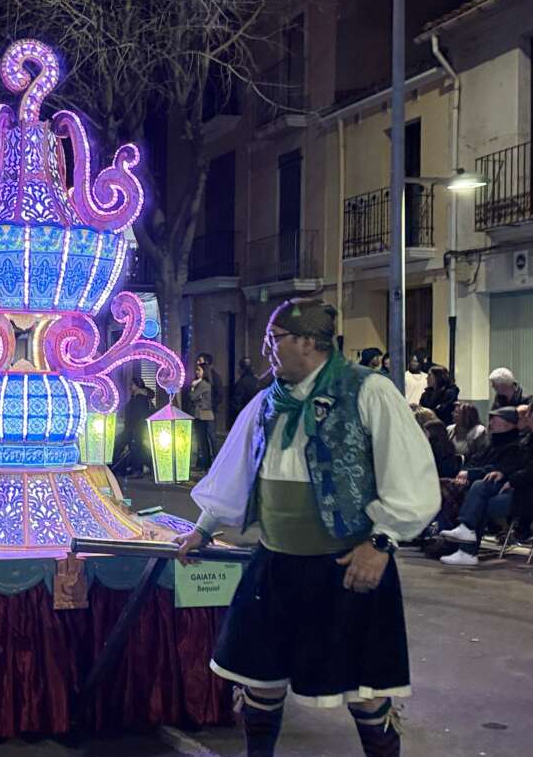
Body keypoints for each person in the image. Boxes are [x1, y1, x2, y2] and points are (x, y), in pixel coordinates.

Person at [174, 297, 438, 757]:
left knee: (366, 690)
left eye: (274, 339)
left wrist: (381, 542)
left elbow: (409, 473)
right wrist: (203, 526)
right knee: (259, 677)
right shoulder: (265, 401)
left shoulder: (368, 391)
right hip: (275, 562)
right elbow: (235, 468)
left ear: (309, 342)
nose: (266, 349)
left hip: (347, 564)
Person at [440, 398, 533, 567]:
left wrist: (511, 480)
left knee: (481, 503)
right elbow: (520, 466)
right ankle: (466, 534)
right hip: (524, 491)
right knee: (479, 487)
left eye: (527, 413)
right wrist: (503, 474)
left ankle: (467, 549)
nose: (524, 417)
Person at [111, 376, 153, 478]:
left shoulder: (140, 399)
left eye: (132, 385)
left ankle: (137, 470)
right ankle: (146, 467)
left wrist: (133, 428)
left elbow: (138, 415)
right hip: (132, 428)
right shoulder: (137, 397)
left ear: (138, 386)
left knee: (136, 449)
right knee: (137, 448)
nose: (130, 387)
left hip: (134, 428)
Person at [189, 363, 216, 470]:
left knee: (203, 440)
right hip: (204, 414)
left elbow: (192, 396)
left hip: (202, 415)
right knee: (204, 441)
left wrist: (192, 387)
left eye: (199, 370)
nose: (197, 372)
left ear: (204, 372)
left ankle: (206, 464)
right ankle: (206, 463)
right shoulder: (204, 384)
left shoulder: (203, 384)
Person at [232, 356, 261, 423]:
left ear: (241, 369)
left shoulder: (241, 383)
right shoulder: (258, 381)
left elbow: (237, 403)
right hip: (257, 414)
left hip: (245, 416)